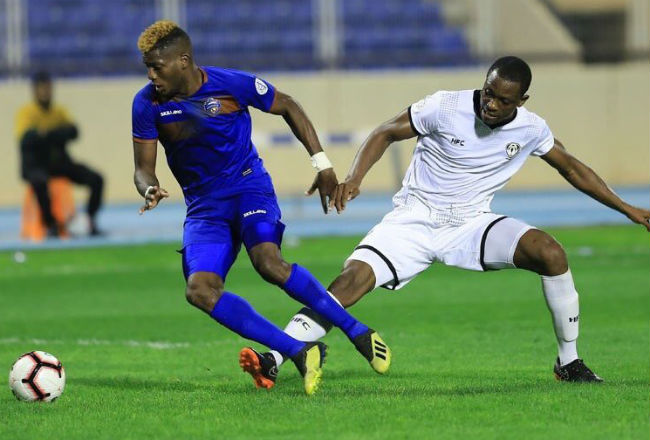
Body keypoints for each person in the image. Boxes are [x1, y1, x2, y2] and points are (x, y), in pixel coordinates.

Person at [246, 56, 650, 387]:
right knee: (349, 283)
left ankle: (569, 362)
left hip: (471, 224)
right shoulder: (445, 106)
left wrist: (626, 208)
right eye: (488, 92)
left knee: (550, 253)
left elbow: (573, 169)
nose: (490, 104)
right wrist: (354, 178)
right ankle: (277, 355)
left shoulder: (531, 129)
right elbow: (386, 132)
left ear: (521, 101)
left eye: (502, 100)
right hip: (413, 221)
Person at [131, 20, 390, 395]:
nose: (151, 76)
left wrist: (322, 165)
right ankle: (300, 352)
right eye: (147, 68)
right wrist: (149, 187)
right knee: (200, 290)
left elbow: (288, 105)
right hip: (205, 209)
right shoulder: (147, 103)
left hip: (249, 188)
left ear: (183, 61)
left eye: (157, 67)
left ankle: (358, 332)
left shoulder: (231, 84)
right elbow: (142, 168)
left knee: (268, 262)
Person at [15, 71, 104, 237]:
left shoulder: (59, 111)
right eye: (41, 89)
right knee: (40, 182)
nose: (45, 92)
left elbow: (73, 131)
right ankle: (51, 224)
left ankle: (89, 221)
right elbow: (27, 139)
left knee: (97, 179)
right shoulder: (26, 113)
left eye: (48, 88)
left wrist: (45, 134)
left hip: (60, 163)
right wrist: (55, 134)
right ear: (34, 91)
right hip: (35, 166)